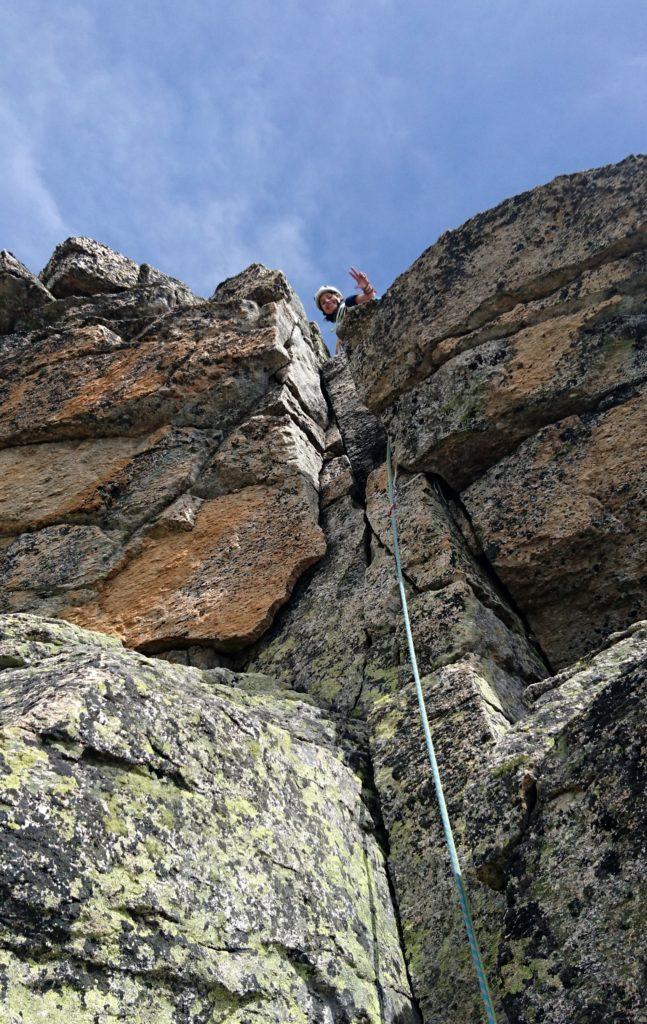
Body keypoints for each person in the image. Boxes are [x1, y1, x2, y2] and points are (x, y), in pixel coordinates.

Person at [314, 267, 377, 354]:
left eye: (329, 297)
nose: (327, 301)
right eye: (323, 303)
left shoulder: (348, 303)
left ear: (339, 297)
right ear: (324, 311)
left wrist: (366, 287)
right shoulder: (339, 326)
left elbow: (369, 298)